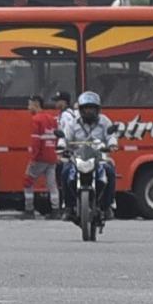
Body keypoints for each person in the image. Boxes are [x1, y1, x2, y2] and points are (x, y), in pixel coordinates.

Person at [57, 91, 118, 222]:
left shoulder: (105, 121)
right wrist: (62, 146)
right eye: (86, 108)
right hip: (77, 157)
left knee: (110, 171)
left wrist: (112, 144)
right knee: (65, 172)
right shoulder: (73, 123)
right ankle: (68, 207)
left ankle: (108, 206)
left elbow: (111, 135)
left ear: (97, 109)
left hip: (99, 156)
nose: (89, 111)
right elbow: (65, 137)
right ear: (81, 109)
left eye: (92, 108)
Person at [21, 95, 62, 220]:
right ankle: (56, 210)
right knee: (52, 185)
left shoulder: (36, 119)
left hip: (40, 157)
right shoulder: (52, 119)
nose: (28, 107)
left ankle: (29, 210)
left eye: (29, 104)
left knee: (27, 182)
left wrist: (33, 158)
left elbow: (36, 141)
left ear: (36, 104)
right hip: (52, 156)